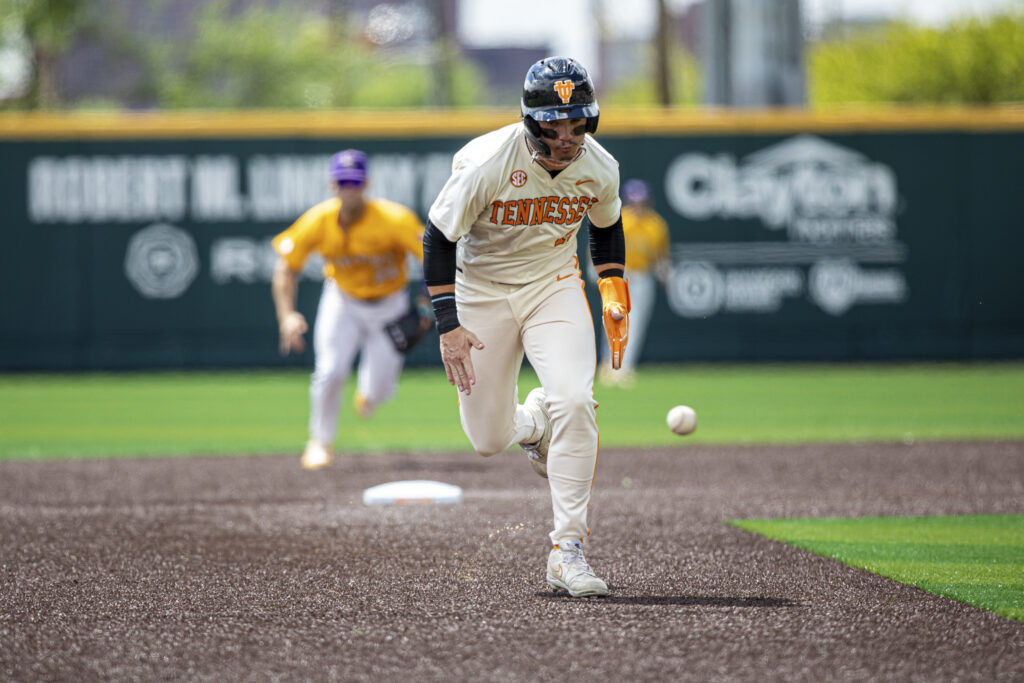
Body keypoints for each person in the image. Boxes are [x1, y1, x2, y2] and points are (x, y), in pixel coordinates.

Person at [422, 56, 630, 598]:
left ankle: (568, 550)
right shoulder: (489, 160)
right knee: (488, 440)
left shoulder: (599, 167)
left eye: (578, 123)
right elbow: (438, 238)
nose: (567, 135)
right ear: (530, 122)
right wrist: (448, 325)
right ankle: (533, 425)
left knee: (576, 401)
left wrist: (612, 289)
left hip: (551, 286)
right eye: (554, 125)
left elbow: (607, 231)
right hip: (481, 293)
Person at [271, 149, 426, 470]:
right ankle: (319, 442)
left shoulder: (394, 219)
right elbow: (286, 268)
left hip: (389, 304)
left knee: (380, 390)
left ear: (366, 184)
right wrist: (287, 315)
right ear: (332, 185)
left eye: (355, 182)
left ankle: (369, 394)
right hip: (343, 301)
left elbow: (434, 258)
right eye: (343, 182)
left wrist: (425, 307)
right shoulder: (319, 220)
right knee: (329, 371)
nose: (349, 188)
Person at [598, 178, 671, 386]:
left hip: (643, 276)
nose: (638, 206)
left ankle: (624, 368)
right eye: (634, 201)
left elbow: (662, 256)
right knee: (614, 319)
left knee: (636, 323)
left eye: (642, 201)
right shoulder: (621, 219)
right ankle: (609, 365)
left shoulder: (656, 224)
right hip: (620, 274)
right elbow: (603, 244)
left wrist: (666, 276)